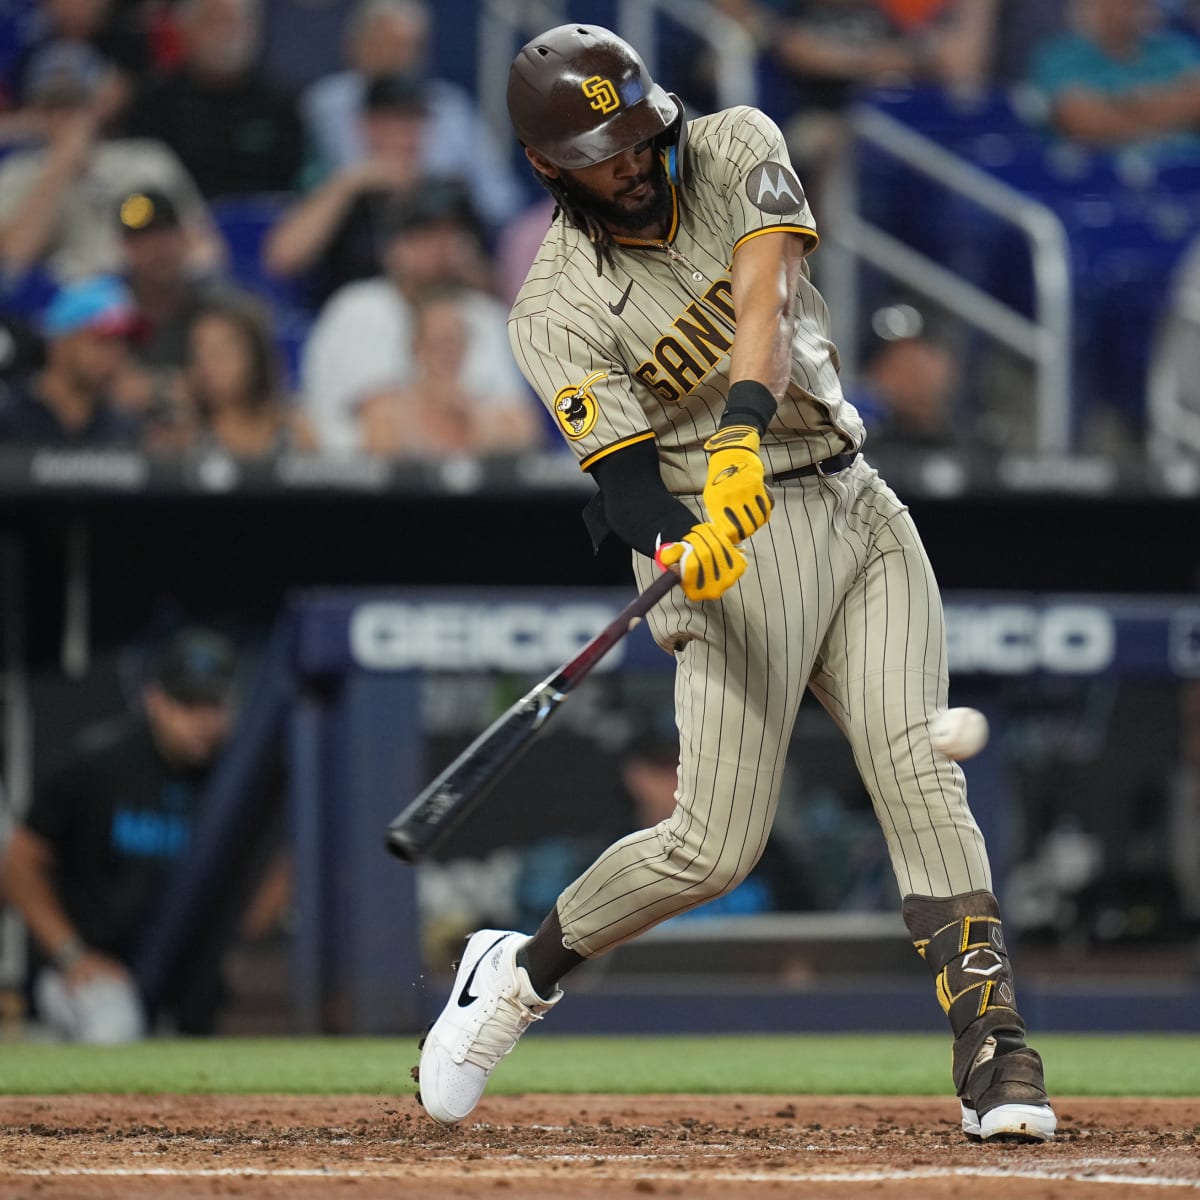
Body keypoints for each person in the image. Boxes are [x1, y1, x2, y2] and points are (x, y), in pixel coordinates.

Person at [416, 24, 1056, 1146]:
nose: (631, 159)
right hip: (723, 545)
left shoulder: (732, 141)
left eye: (635, 132)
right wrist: (676, 543)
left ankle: (995, 1050)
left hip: (849, 500)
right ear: (548, 167)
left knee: (918, 775)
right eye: (601, 151)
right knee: (712, 847)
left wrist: (740, 436)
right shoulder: (552, 308)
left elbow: (766, 298)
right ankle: (519, 972)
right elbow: (619, 485)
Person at [0, 627, 239, 1039]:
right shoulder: (97, 765)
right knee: (115, 1027)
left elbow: (281, 866)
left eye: (213, 704)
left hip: (184, 977)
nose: (202, 720)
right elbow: (18, 864)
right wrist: (70, 953)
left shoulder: (236, 778)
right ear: (155, 700)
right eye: (188, 703)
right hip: (92, 969)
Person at [299, 180, 531, 455]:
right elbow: (382, 431)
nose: (441, 248)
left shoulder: (485, 314)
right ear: (393, 247)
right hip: (356, 485)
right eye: (426, 234)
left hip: (470, 488)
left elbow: (519, 429)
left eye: (454, 234)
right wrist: (462, 416)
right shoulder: (358, 309)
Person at [0, 41, 226, 283]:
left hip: (151, 294)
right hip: (71, 307)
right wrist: (60, 166)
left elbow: (205, 247)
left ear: (98, 105)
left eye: (75, 104)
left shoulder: (147, 159)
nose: (63, 117)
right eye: (51, 107)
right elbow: (12, 262)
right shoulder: (17, 174)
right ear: (34, 112)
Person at [299, 0, 526, 230]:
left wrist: (453, 198)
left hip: (447, 233)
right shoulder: (327, 103)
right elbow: (314, 184)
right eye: (388, 44)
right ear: (356, 46)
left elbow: (501, 198)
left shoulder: (449, 105)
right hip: (354, 236)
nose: (399, 57)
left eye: (411, 47)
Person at [262, 72, 432, 304]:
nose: (406, 136)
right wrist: (349, 183)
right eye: (395, 122)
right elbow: (282, 258)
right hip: (351, 319)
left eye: (415, 122)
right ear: (366, 127)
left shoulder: (441, 192)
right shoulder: (345, 192)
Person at [125, 0, 304, 198]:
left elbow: (297, 182)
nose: (229, 33)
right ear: (185, 30)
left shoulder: (282, 104)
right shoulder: (153, 103)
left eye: (241, 22)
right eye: (216, 22)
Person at [1025, 0, 1200, 162]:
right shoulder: (1059, 56)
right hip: (1097, 181)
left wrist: (1120, 106)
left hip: (1186, 172)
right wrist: (1174, 103)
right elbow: (1085, 122)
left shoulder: (1176, 50)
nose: (1127, 7)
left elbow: (1196, 100)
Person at [0, 274, 140, 445]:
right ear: (59, 343)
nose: (116, 354)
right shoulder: (8, 417)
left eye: (122, 343)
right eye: (102, 341)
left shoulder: (125, 428)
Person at [183, 287, 316, 456]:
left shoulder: (292, 430)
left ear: (254, 354)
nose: (209, 364)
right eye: (200, 351)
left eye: (222, 350)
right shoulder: (185, 435)